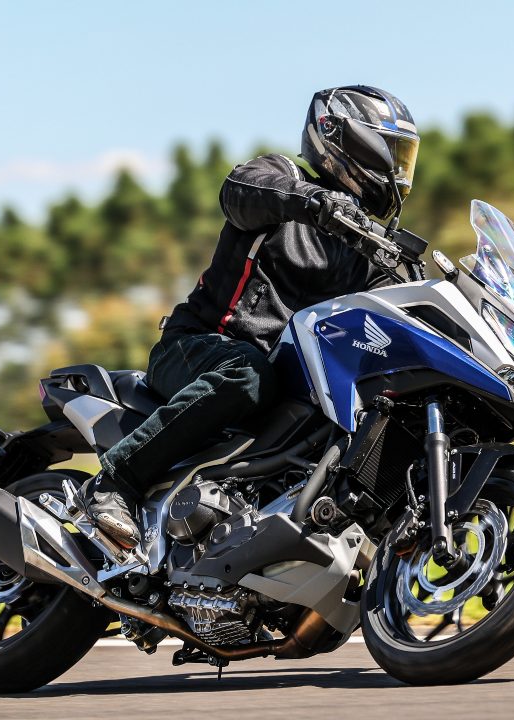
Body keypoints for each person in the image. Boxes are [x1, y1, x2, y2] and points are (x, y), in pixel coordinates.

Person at [86, 85, 420, 548]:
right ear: (351, 143)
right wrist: (315, 203)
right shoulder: (281, 179)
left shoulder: (365, 253)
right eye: (393, 155)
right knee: (248, 372)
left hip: (282, 384)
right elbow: (239, 191)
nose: (399, 171)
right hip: (197, 347)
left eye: (405, 158)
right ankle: (115, 481)